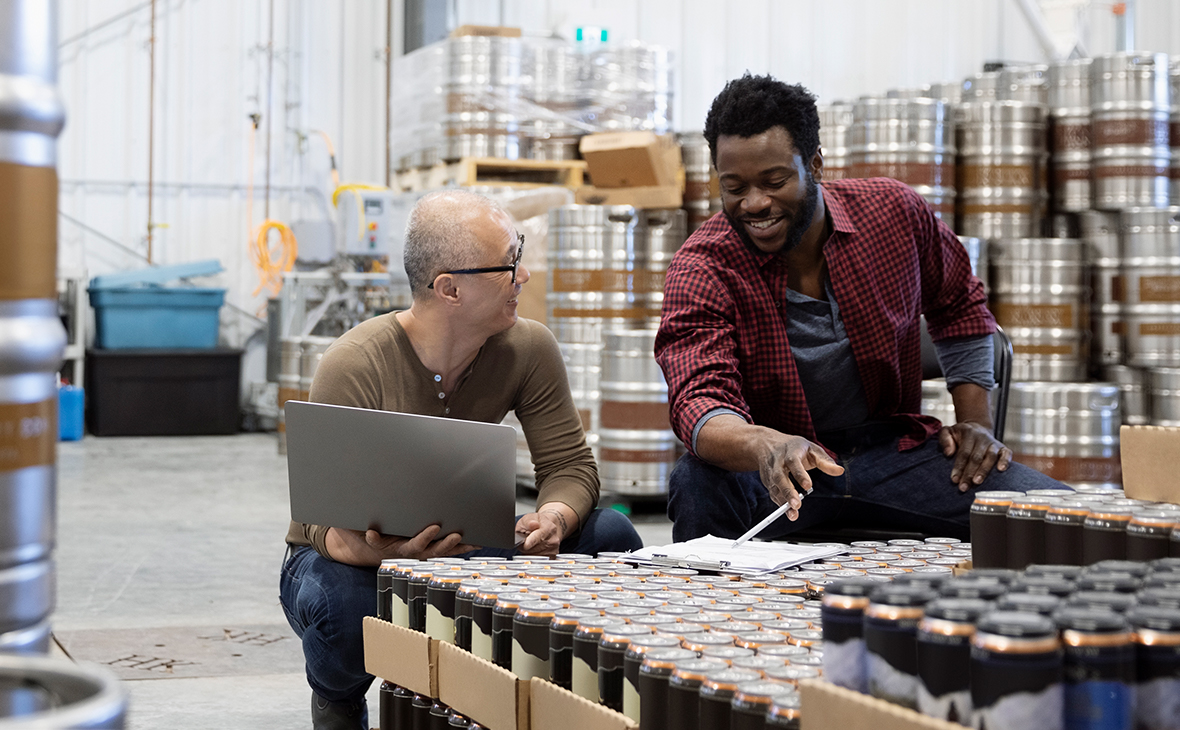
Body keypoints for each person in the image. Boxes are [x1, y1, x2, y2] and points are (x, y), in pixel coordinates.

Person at [280, 189, 643, 729]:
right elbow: (320, 522)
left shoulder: (527, 348)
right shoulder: (356, 363)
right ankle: (337, 699)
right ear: (449, 288)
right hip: (352, 556)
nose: (523, 276)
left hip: (462, 545)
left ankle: (554, 697)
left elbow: (570, 466)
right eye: (508, 264)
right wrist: (395, 554)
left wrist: (556, 518)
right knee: (342, 608)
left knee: (611, 538)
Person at [655, 74, 1063, 544]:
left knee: (1063, 521)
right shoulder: (703, 265)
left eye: (775, 181)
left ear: (815, 165)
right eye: (734, 187)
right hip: (777, 471)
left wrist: (975, 424)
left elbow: (959, 306)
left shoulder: (893, 214)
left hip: (893, 453)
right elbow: (700, 400)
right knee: (697, 481)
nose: (755, 203)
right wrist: (765, 443)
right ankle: (719, 613)